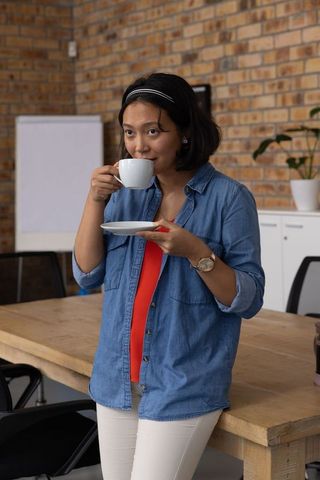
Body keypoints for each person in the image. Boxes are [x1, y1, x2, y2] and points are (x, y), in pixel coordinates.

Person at [73, 72, 265, 480]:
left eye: (153, 131)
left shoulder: (229, 199)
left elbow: (248, 300)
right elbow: (86, 274)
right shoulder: (125, 195)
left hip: (183, 384)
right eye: (129, 132)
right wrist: (94, 200)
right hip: (117, 378)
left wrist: (197, 252)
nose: (138, 145)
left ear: (184, 134)